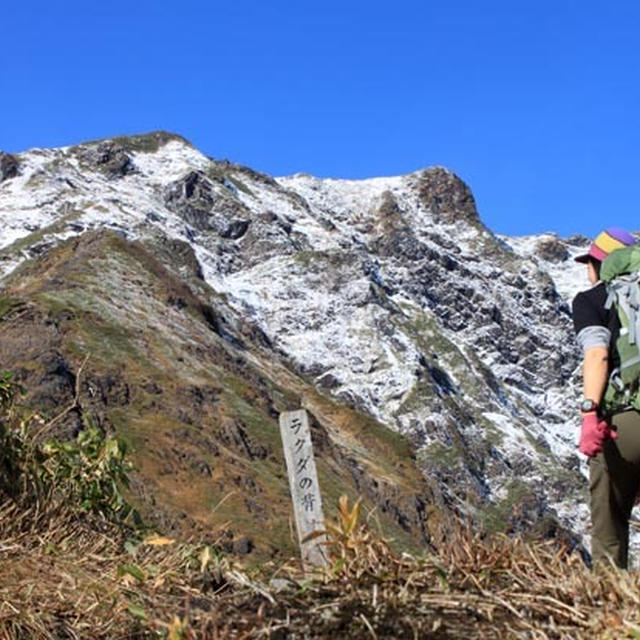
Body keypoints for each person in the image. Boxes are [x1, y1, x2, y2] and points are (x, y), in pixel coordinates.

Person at [572, 227, 640, 569]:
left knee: (609, 525)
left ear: (599, 263)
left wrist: (589, 414)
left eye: (588, 262)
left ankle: (609, 609)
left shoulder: (592, 300)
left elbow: (597, 355)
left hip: (624, 422)